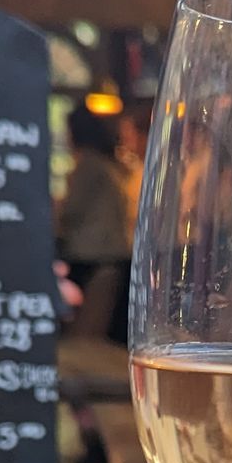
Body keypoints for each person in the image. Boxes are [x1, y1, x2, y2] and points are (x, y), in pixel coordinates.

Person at [58, 107, 135, 341]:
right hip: (114, 256)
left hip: (93, 258)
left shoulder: (89, 165)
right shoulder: (109, 164)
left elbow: (70, 211)